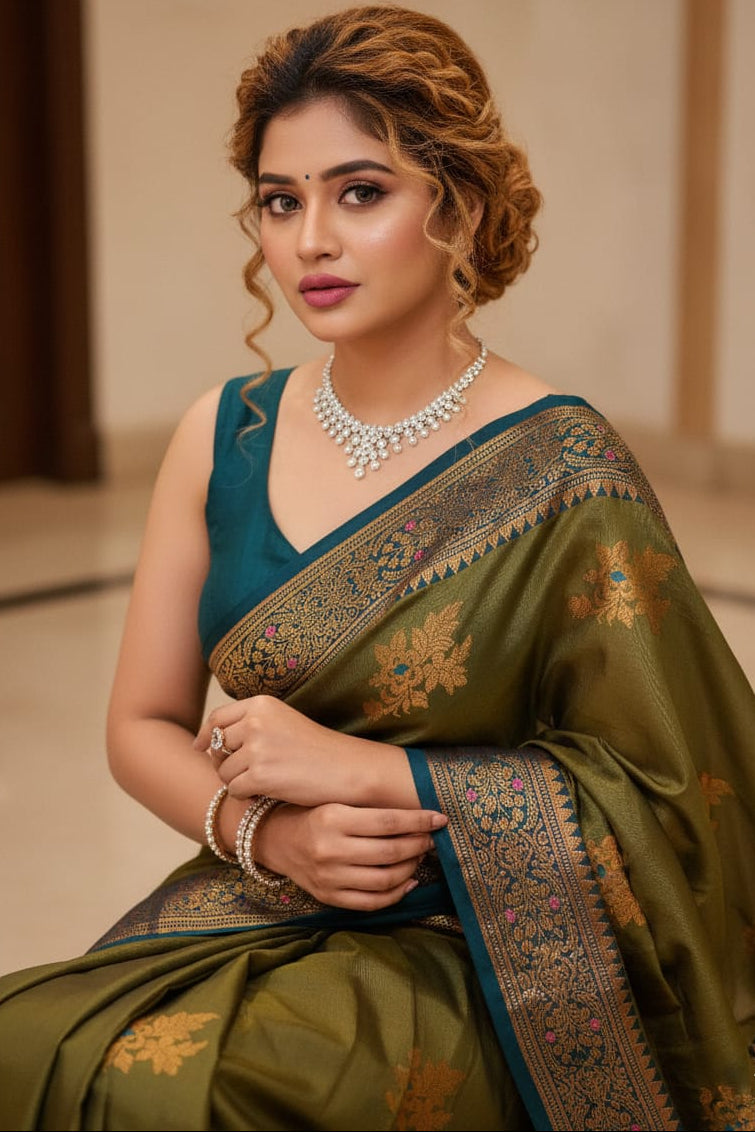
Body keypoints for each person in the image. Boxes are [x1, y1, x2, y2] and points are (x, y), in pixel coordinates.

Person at [0, 4, 753, 1130]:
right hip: (259, 891)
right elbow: (141, 725)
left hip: (483, 945)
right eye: (278, 200)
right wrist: (272, 832)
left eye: (360, 192)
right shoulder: (223, 432)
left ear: (461, 205)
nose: (309, 241)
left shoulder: (558, 462)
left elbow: (679, 794)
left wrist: (367, 773)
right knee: (26, 1047)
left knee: (219, 1101)